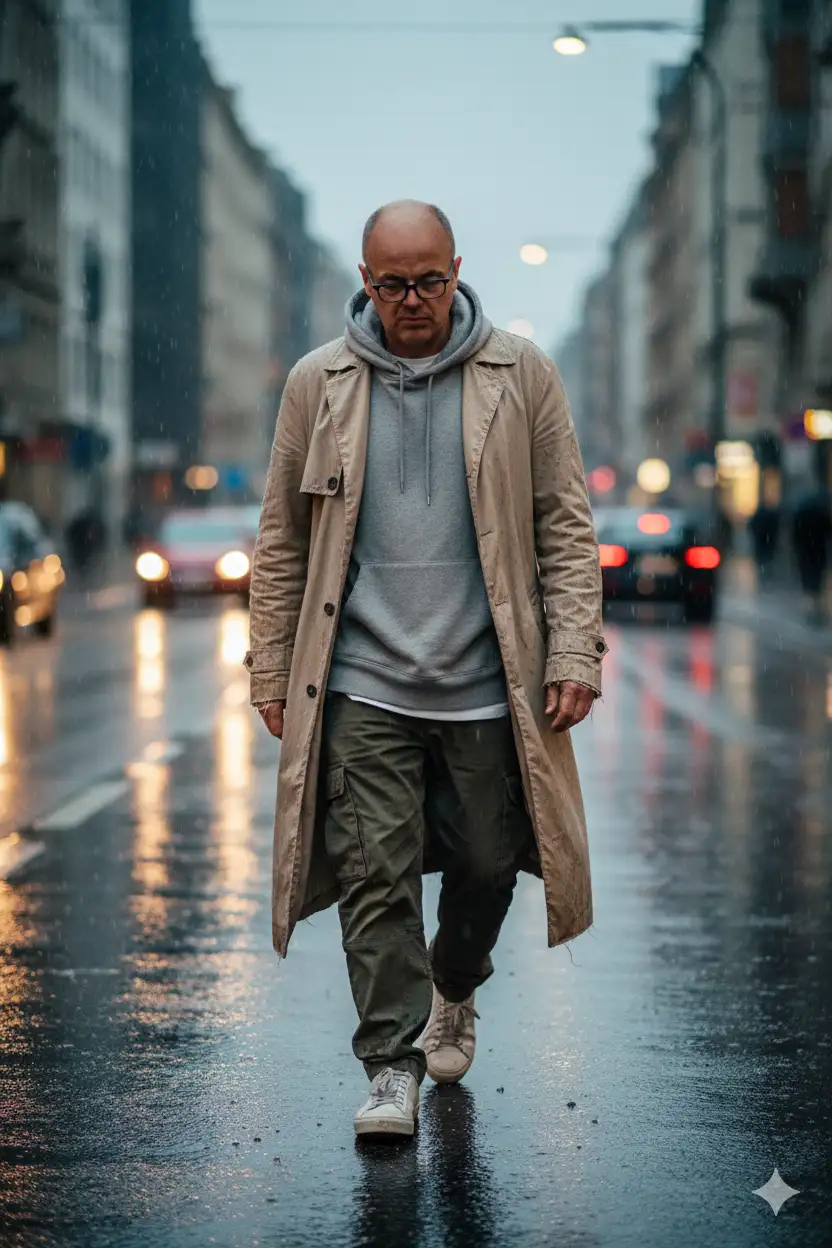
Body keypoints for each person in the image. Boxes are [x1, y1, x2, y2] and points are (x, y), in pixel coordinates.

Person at [245, 200, 606, 1139]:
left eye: (431, 280)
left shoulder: (521, 375)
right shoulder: (315, 383)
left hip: (488, 683)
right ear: (365, 283)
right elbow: (282, 539)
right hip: (362, 679)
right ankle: (390, 1067)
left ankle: (455, 981)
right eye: (393, 283)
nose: (415, 300)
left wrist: (571, 649)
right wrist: (271, 668)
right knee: (376, 877)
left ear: (457, 269)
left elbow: (566, 522)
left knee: (489, 865)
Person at [790, 488, 832, 624]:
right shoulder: (821, 515)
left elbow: (795, 534)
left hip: (806, 552)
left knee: (808, 578)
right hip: (818, 552)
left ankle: (812, 606)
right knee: (817, 577)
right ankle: (816, 605)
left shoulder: (801, 516)